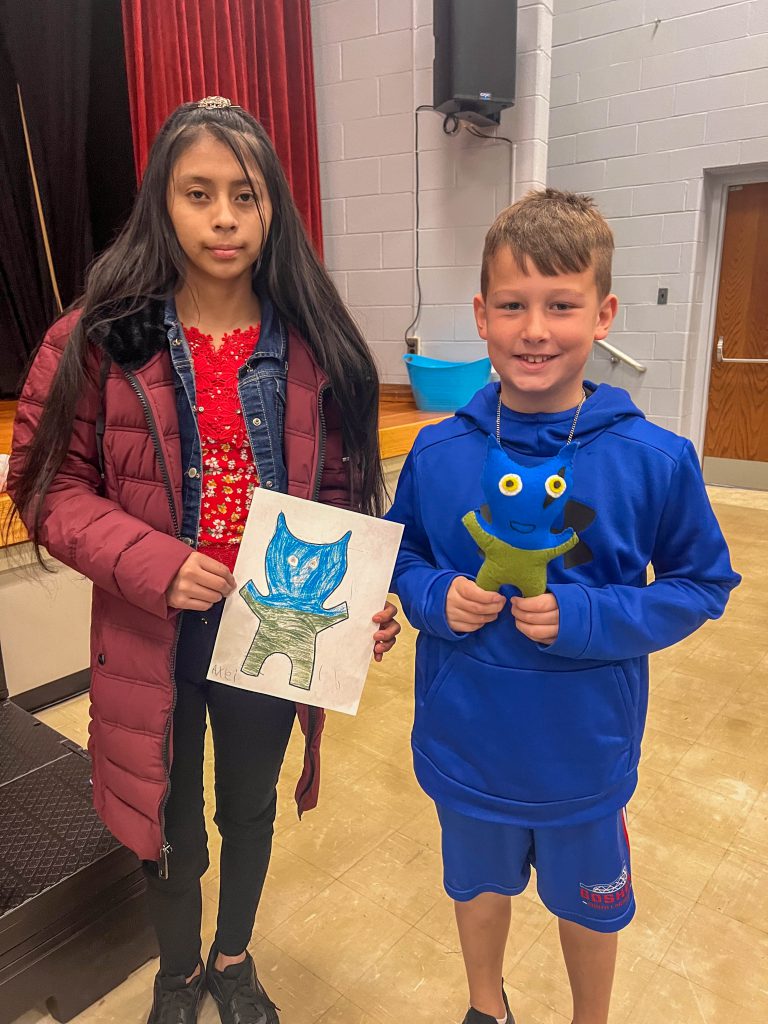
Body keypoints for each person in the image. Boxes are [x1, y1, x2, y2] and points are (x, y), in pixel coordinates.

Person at [8, 97, 400, 1024]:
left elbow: (341, 500)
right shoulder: (97, 338)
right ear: (163, 204)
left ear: (273, 212)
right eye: (199, 193)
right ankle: (178, 973)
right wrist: (155, 562)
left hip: (275, 629)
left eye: (246, 196)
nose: (225, 217)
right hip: (157, 633)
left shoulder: (314, 342)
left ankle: (233, 959)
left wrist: (362, 601)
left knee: (249, 808)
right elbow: (45, 488)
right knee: (167, 821)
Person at [385, 189, 739, 1024]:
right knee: (474, 887)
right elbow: (397, 558)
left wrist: (589, 619)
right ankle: (486, 1006)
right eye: (512, 305)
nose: (534, 329)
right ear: (480, 314)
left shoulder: (656, 458)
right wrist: (435, 597)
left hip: (584, 757)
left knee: (590, 906)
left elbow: (702, 584)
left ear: (603, 312)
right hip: (466, 748)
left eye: (561, 305)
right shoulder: (436, 452)